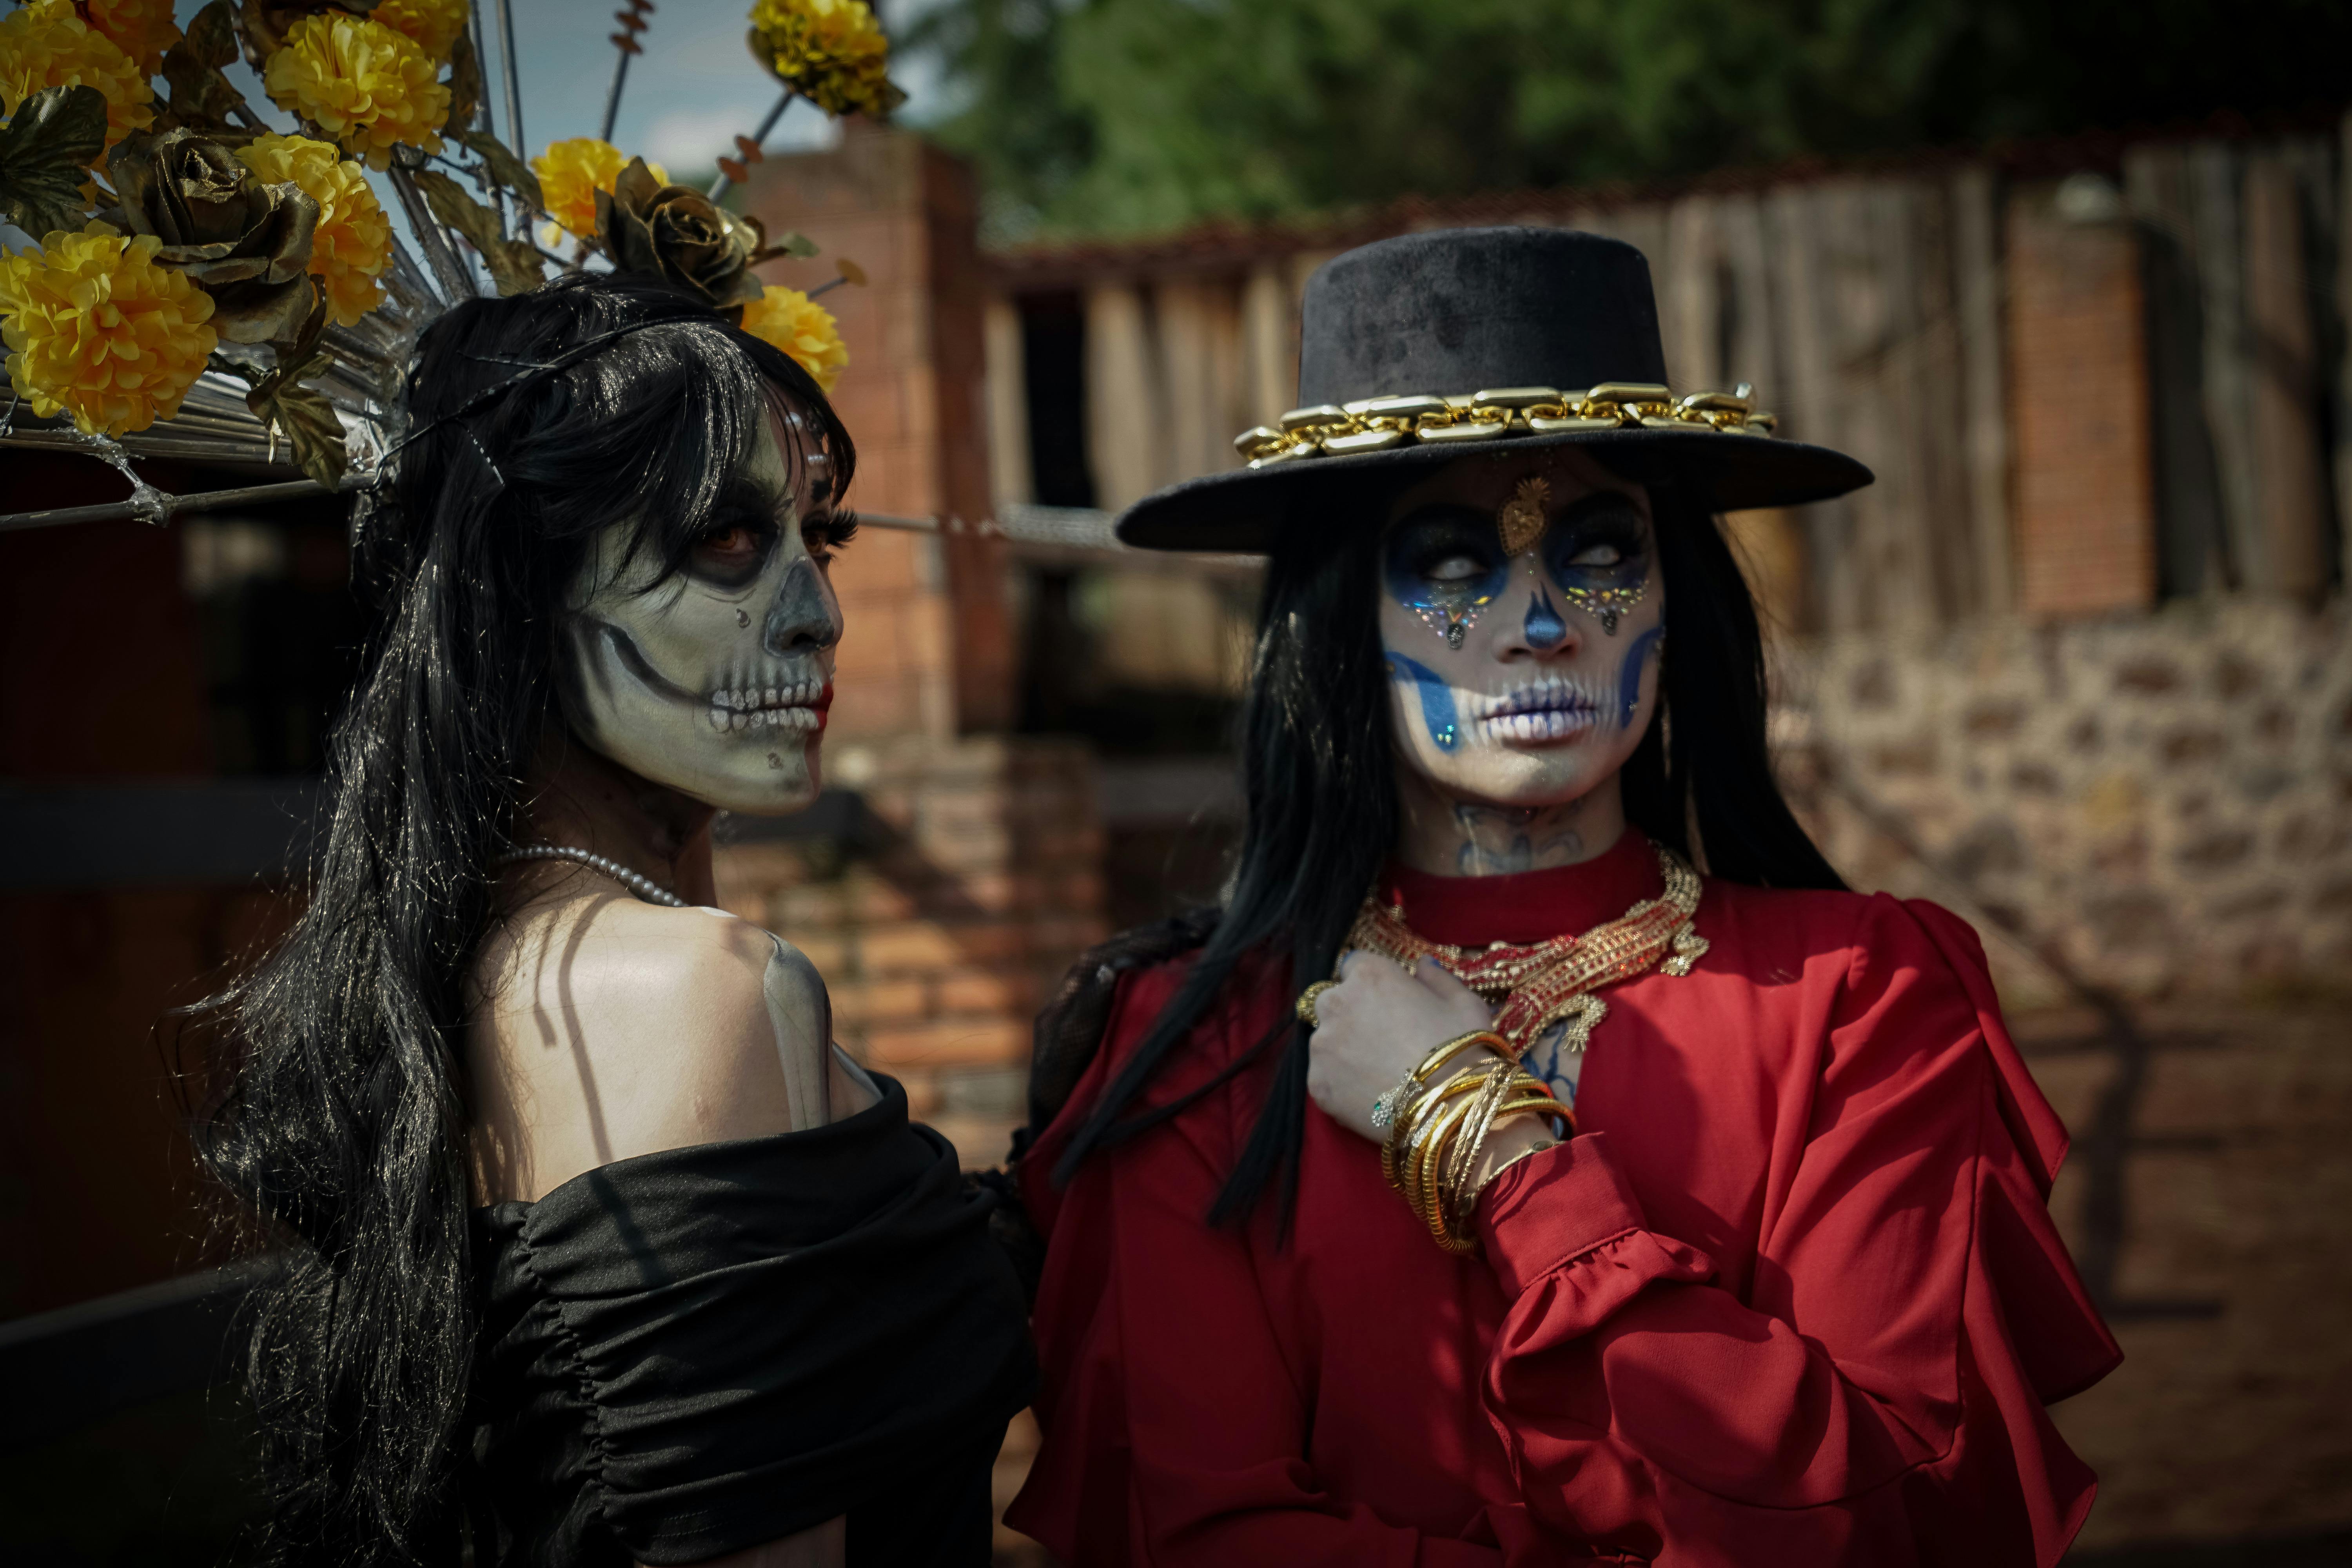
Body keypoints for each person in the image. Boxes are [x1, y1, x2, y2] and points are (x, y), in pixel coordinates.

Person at [1005, 227, 2122, 1565]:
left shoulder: (1861, 995)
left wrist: (1490, 1146)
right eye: (1458, 564)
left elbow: (1888, 1512)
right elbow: (1204, 1533)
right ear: (1340, 621)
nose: (1544, 624)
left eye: (1599, 552)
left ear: (1672, 597)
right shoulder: (1193, 1048)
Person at [191, 274, 1034, 1568]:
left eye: (823, 538)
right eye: (728, 541)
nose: (820, 614)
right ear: (523, 588)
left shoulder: (480, 958)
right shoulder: (688, 988)